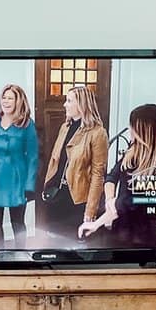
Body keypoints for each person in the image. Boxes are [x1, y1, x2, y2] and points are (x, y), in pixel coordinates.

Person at [78, 103, 156, 248]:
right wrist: (110, 200)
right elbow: (112, 177)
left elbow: (125, 205)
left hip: (142, 239)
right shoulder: (132, 151)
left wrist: (96, 224)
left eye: (133, 126)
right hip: (123, 231)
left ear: (145, 131)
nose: (129, 130)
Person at [42, 85, 108, 243]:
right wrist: (47, 185)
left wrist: (91, 210)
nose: (65, 104)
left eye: (69, 101)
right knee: (54, 243)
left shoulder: (98, 133)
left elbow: (98, 175)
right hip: (57, 195)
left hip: (77, 200)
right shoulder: (65, 127)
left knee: (73, 247)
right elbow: (55, 160)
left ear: (82, 105)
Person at [0, 84, 38, 247]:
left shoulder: (27, 124)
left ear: (19, 101)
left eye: (10, 97)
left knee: (17, 222)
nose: (6, 101)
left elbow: (33, 157)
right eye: (4, 97)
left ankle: (20, 256)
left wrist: (30, 186)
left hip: (17, 180)